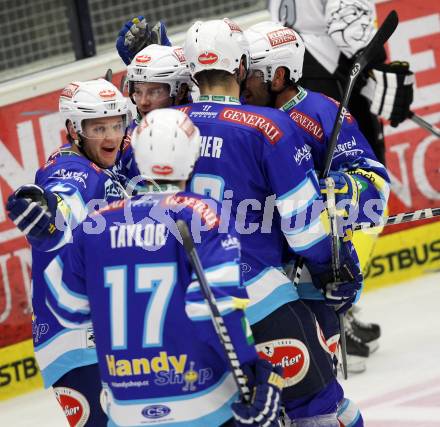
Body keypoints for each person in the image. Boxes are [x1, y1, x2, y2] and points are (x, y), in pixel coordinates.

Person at [44, 108, 283, 427]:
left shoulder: (95, 223)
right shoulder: (201, 214)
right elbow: (217, 308)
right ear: (193, 156)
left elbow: (64, 304)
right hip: (204, 401)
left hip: (125, 408)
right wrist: (253, 371)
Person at [181, 18, 364, 426]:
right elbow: (305, 228)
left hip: (188, 309)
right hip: (261, 296)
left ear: (190, 71)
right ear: (243, 66)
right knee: (323, 413)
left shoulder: (161, 125)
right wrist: (335, 266)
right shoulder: (269, 128)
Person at [267, 0, 413, 360]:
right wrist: (377, 64)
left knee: (315, 190)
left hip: (297, 65)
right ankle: (337, 303)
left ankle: (328, 304)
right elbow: (347, 21)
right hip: (331, 69)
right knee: (359, 185)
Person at [243, 21, 390, 377]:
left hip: (312, 268)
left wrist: (338, 189)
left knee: (311, 378)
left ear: (277, 76)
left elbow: (375, 183)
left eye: (249, 73)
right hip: (258, 266)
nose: (240, 79)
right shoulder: (241, 115)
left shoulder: (322, 113)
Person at [6, 79, 131, 426]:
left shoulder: (95, 163)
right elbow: (64, 199)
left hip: (97, 334)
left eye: (116, 124)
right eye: (98, 128)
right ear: (74, 130)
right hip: (77, 343)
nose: (111, 137)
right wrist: (50, 218)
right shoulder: (69, 172)